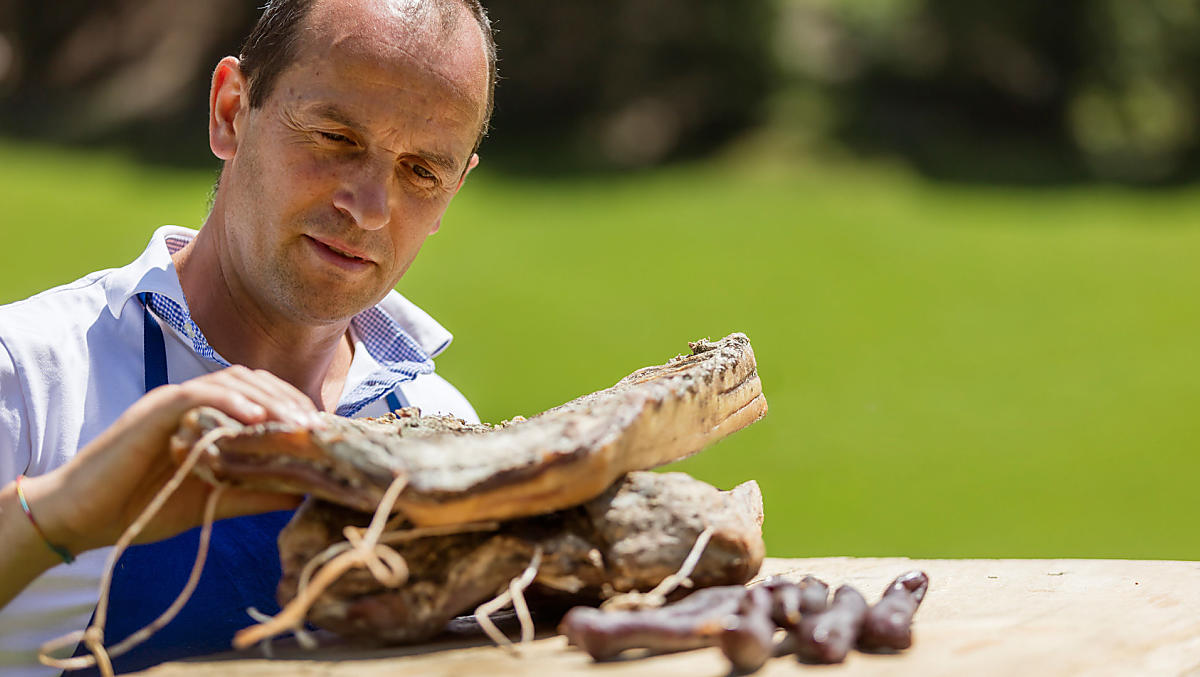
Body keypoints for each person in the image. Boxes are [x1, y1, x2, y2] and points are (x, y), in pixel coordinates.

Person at [0, 0, 497, 673]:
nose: (370, 208)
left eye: (421, 172)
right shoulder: (30, 370)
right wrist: (63, 513)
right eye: (336, 137)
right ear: (232, 110)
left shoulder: (449, 434)